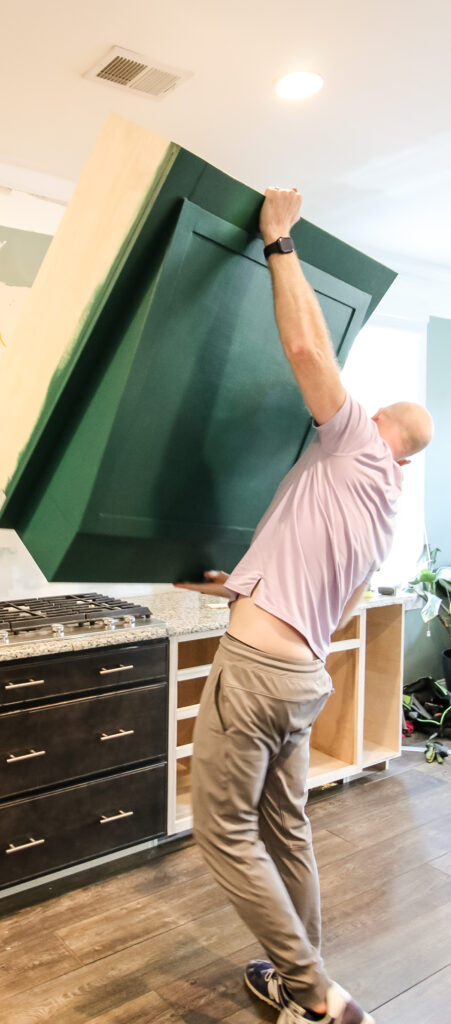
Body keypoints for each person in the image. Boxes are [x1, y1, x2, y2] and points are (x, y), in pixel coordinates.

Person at [176, 187, 434, 1024]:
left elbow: (303, 346)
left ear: (378, 427)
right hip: (300, 678)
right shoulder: (382, 513)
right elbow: (311, 584)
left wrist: (277, 242)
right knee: (285, 829)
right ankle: (297, 986)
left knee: (222, 833)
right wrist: (234, 586)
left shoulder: (356, 438)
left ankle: (317, 994)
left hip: (256, 676)